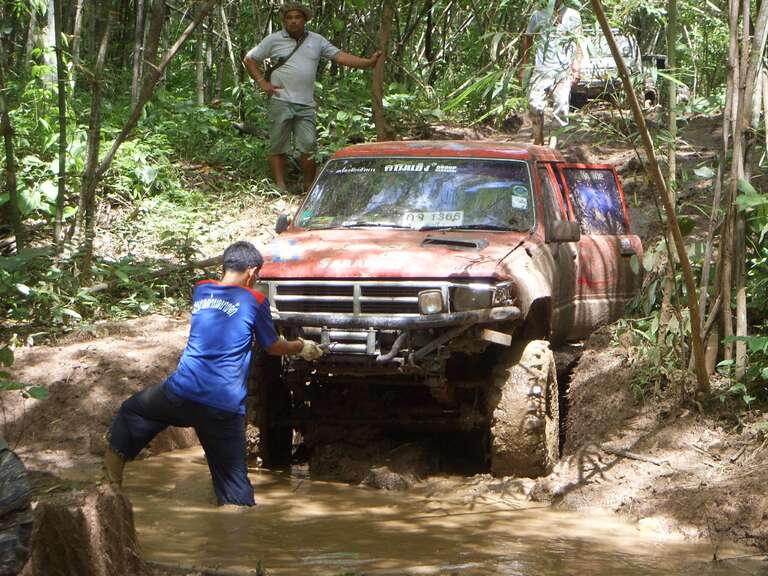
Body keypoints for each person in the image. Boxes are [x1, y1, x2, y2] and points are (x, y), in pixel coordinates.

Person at [102, 241, 325, 507]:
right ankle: (236, 522)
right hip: (223, 407)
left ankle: (109, 486)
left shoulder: (201, 289)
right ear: (252, 272)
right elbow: (272, 346)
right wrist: (301, 346)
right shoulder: (256, 301)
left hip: (180, 394)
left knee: (133, 411)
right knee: (235, 492)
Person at [243, 2, 381, 192]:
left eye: (297, 17)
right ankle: (280, 186)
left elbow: (339, 56)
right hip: (280, 101)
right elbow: (249, 59)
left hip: (305, 104)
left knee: (308, 147)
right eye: (289, 18)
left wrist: (368, 63)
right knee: (277, 145)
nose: (293, 21)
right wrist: (261, 81)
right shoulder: (274, 40)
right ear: (284, 20)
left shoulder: (316, 40)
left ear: (305, 19)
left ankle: (309, 186)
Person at [519, 0, 583, 145]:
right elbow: (528, 38)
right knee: (534, 104)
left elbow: (579, 41)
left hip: (563, 71)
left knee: (561, 107)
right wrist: (524, 66)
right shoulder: (538, 15)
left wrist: (577, 66)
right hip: (541, 69)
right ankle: (538, 139)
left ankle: (553, 145)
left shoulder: (574, 15)